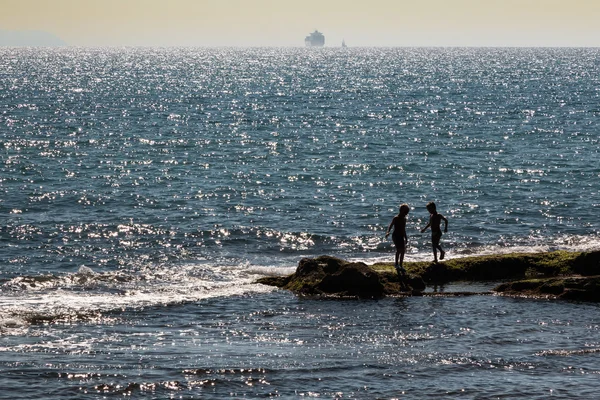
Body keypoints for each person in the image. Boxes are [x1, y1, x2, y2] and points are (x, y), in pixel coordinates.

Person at [385, 204, 410, 275]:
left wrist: (406, 237)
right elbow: (391, 225)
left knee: (403, 251)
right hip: (395, 236)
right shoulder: (396, 218)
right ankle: (396, 264)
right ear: (401, 211)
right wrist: (388, 232)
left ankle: (401, 265)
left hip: (401, 236)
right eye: (405, 212)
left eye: (407, 212)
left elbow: (403, 229)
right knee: (398, 250)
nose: (406, 213)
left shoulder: (404, 219)